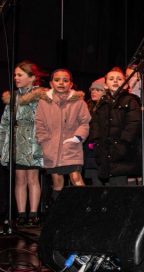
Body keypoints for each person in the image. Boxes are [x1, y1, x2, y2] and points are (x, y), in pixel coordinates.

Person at [35, 69, 91, 207]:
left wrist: (77, 138)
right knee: (57, 181)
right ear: (51, 83)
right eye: (57, 80)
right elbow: (39, 123)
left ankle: (85, 209)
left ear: (71, 84)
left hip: (72, 147)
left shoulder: (79, 102)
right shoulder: (43, 102)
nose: (61, 83)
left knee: (76, 177)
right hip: (51, 149)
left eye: (65, 80)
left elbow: (85, 122)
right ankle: (59, 211)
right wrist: (44, 140)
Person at [0, 61, 46, 226]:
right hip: (17, 141)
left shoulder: (41, 96)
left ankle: (33, 213)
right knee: (19, 178)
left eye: (20, 75)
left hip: (33, 141)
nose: (16, 78)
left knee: (32, 177)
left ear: (32, 78)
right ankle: (21, 214)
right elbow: (5, 122)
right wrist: (3, 144)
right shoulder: (13, 98)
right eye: (15, 75)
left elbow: (45, 119)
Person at [88, 68, 142, 186]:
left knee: (120, 183)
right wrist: (97, 141)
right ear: (105, 85)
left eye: (119, 79)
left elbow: (134, 124)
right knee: (108, 185)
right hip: (105, 150)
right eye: (111, 79)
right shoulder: (102, 103)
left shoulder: (130, 100)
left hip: (123, 149)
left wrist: (123, 143)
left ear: (126, 84)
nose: (115, 81)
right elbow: (96, 124)